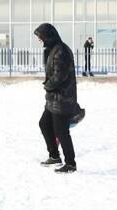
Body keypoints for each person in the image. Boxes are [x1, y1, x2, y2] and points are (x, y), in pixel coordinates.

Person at [35, 24, 82, 173]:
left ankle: (70, 164)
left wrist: (48, 85)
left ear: (48, 36)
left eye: (41, 37)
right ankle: (54, 156)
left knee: (61, 131)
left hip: (63, 98)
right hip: (53, 98)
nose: (39, 40)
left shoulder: (61, 51)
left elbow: (59, 76)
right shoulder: (53, 49)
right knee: (44, 124)